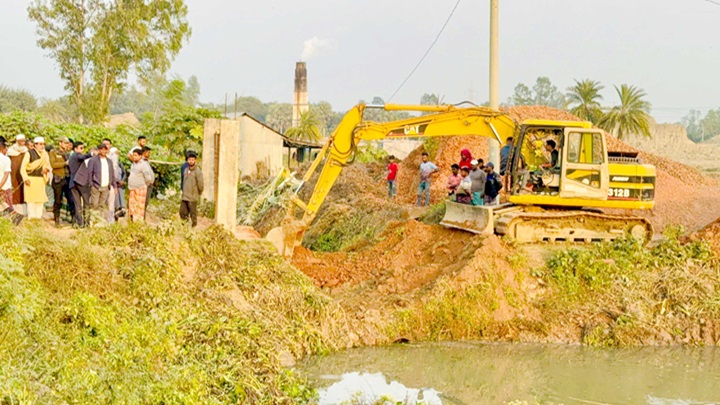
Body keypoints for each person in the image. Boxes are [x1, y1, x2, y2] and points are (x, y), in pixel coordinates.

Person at [20, 137, 51, 219]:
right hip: (31, 179)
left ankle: (38, 219)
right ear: (35, 145)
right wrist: (26, 179)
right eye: (40, 144)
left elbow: (48, 165)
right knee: (31, 201)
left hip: (40, 180)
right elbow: (23, 168)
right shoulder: (29, 153)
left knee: (40, 201)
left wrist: (46, 169)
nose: (42, 146)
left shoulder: (45, 154)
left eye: (43, 144)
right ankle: (32, 220)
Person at [49, 137, 74, 226]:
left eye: (67, 143)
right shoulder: (53, 152)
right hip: (58, 179)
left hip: (67, 179)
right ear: (60, 143)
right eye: (65, 143)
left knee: (71, 200)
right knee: (58, 200)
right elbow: (53, 165)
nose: (66, 145)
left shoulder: (68, 154)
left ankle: (73, 220)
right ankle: (57, 220)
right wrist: (65, 163)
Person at [87, 143, 116, 220]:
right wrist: (91, 184)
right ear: (98, 150)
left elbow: (112, 174)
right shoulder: (93, 160)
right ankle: (92, 221)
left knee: (101, 205)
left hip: (106, 186)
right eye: (101, 149)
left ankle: (99, 221)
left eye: (105, 149)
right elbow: (90, 173)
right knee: (94, 204)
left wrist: (114, 186)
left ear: (107, 150)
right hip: (96, 186)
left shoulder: (109, 161)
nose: (103, 151)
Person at [69, 142, 93, 227]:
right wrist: (92, 153)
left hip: (73, 182)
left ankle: (80, 223)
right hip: (80, 181)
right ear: (75, 149)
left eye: (83, 148)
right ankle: (86, 222)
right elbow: (82, 157)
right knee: (86, 203)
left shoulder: (71, 156)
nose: (82, 150)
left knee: (77, 204)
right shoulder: (76, 155)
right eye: (81, 148)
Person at [127, 149, 154, 222]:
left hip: (140, 189)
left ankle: (138, 225)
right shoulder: (133, 164)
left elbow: (148, 178)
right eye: (133, 155)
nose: (134, 157)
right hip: (132, 189)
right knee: (132, 207)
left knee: (139, 208)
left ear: (140, 156)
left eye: (136, 155)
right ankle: (132, 224)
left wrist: (143, 185)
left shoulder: (143, 165)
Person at [0, 141, 23, 225]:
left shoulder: (5, 159)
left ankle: (13, 221)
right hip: (5, 186)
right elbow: (6, 174)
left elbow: (6, 175)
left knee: (5, 206)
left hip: (3, 187)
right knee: (6, 205)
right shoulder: (6, 159)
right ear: (2, 149)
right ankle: (13, 220)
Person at [180, 151, 203, 227]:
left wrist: (198, 193)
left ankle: (193, 228)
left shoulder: (198, 172)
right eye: (189, 160)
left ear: (195, 160)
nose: (191, 161)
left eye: (192, 160)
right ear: (187, 160)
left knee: (193, 214)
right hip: (185, 196)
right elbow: (183, 181)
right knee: (182, 212)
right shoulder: (186, 170)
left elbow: (201, 185)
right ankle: (185, 227)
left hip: (192, 197)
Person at [7, 134, 28, 211]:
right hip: (13, 172)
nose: (23, 142)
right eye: (21, 140)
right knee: (14, 187)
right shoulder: (10, 150)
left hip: (22, 172)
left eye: (24, 140)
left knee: (22, 188)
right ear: (17, 141)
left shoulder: (25, 150)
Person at [107, 147, 126, 222]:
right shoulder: (109, 163)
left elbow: (124, 173)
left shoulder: (120, 163)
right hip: (113, 184)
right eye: (115, 153)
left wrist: (122, 180)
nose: (116, 155)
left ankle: (121, 210)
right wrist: (116, 181)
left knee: (120, 195)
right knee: (113, 202)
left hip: (119, 185)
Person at [142, 146, 154, 214]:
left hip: (149, 185)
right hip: (145, 185)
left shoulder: (147, 161)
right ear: (144, 152)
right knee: (143, 202)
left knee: (146, 202)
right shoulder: (142, 162)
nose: (149, 154)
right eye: (148, 153)